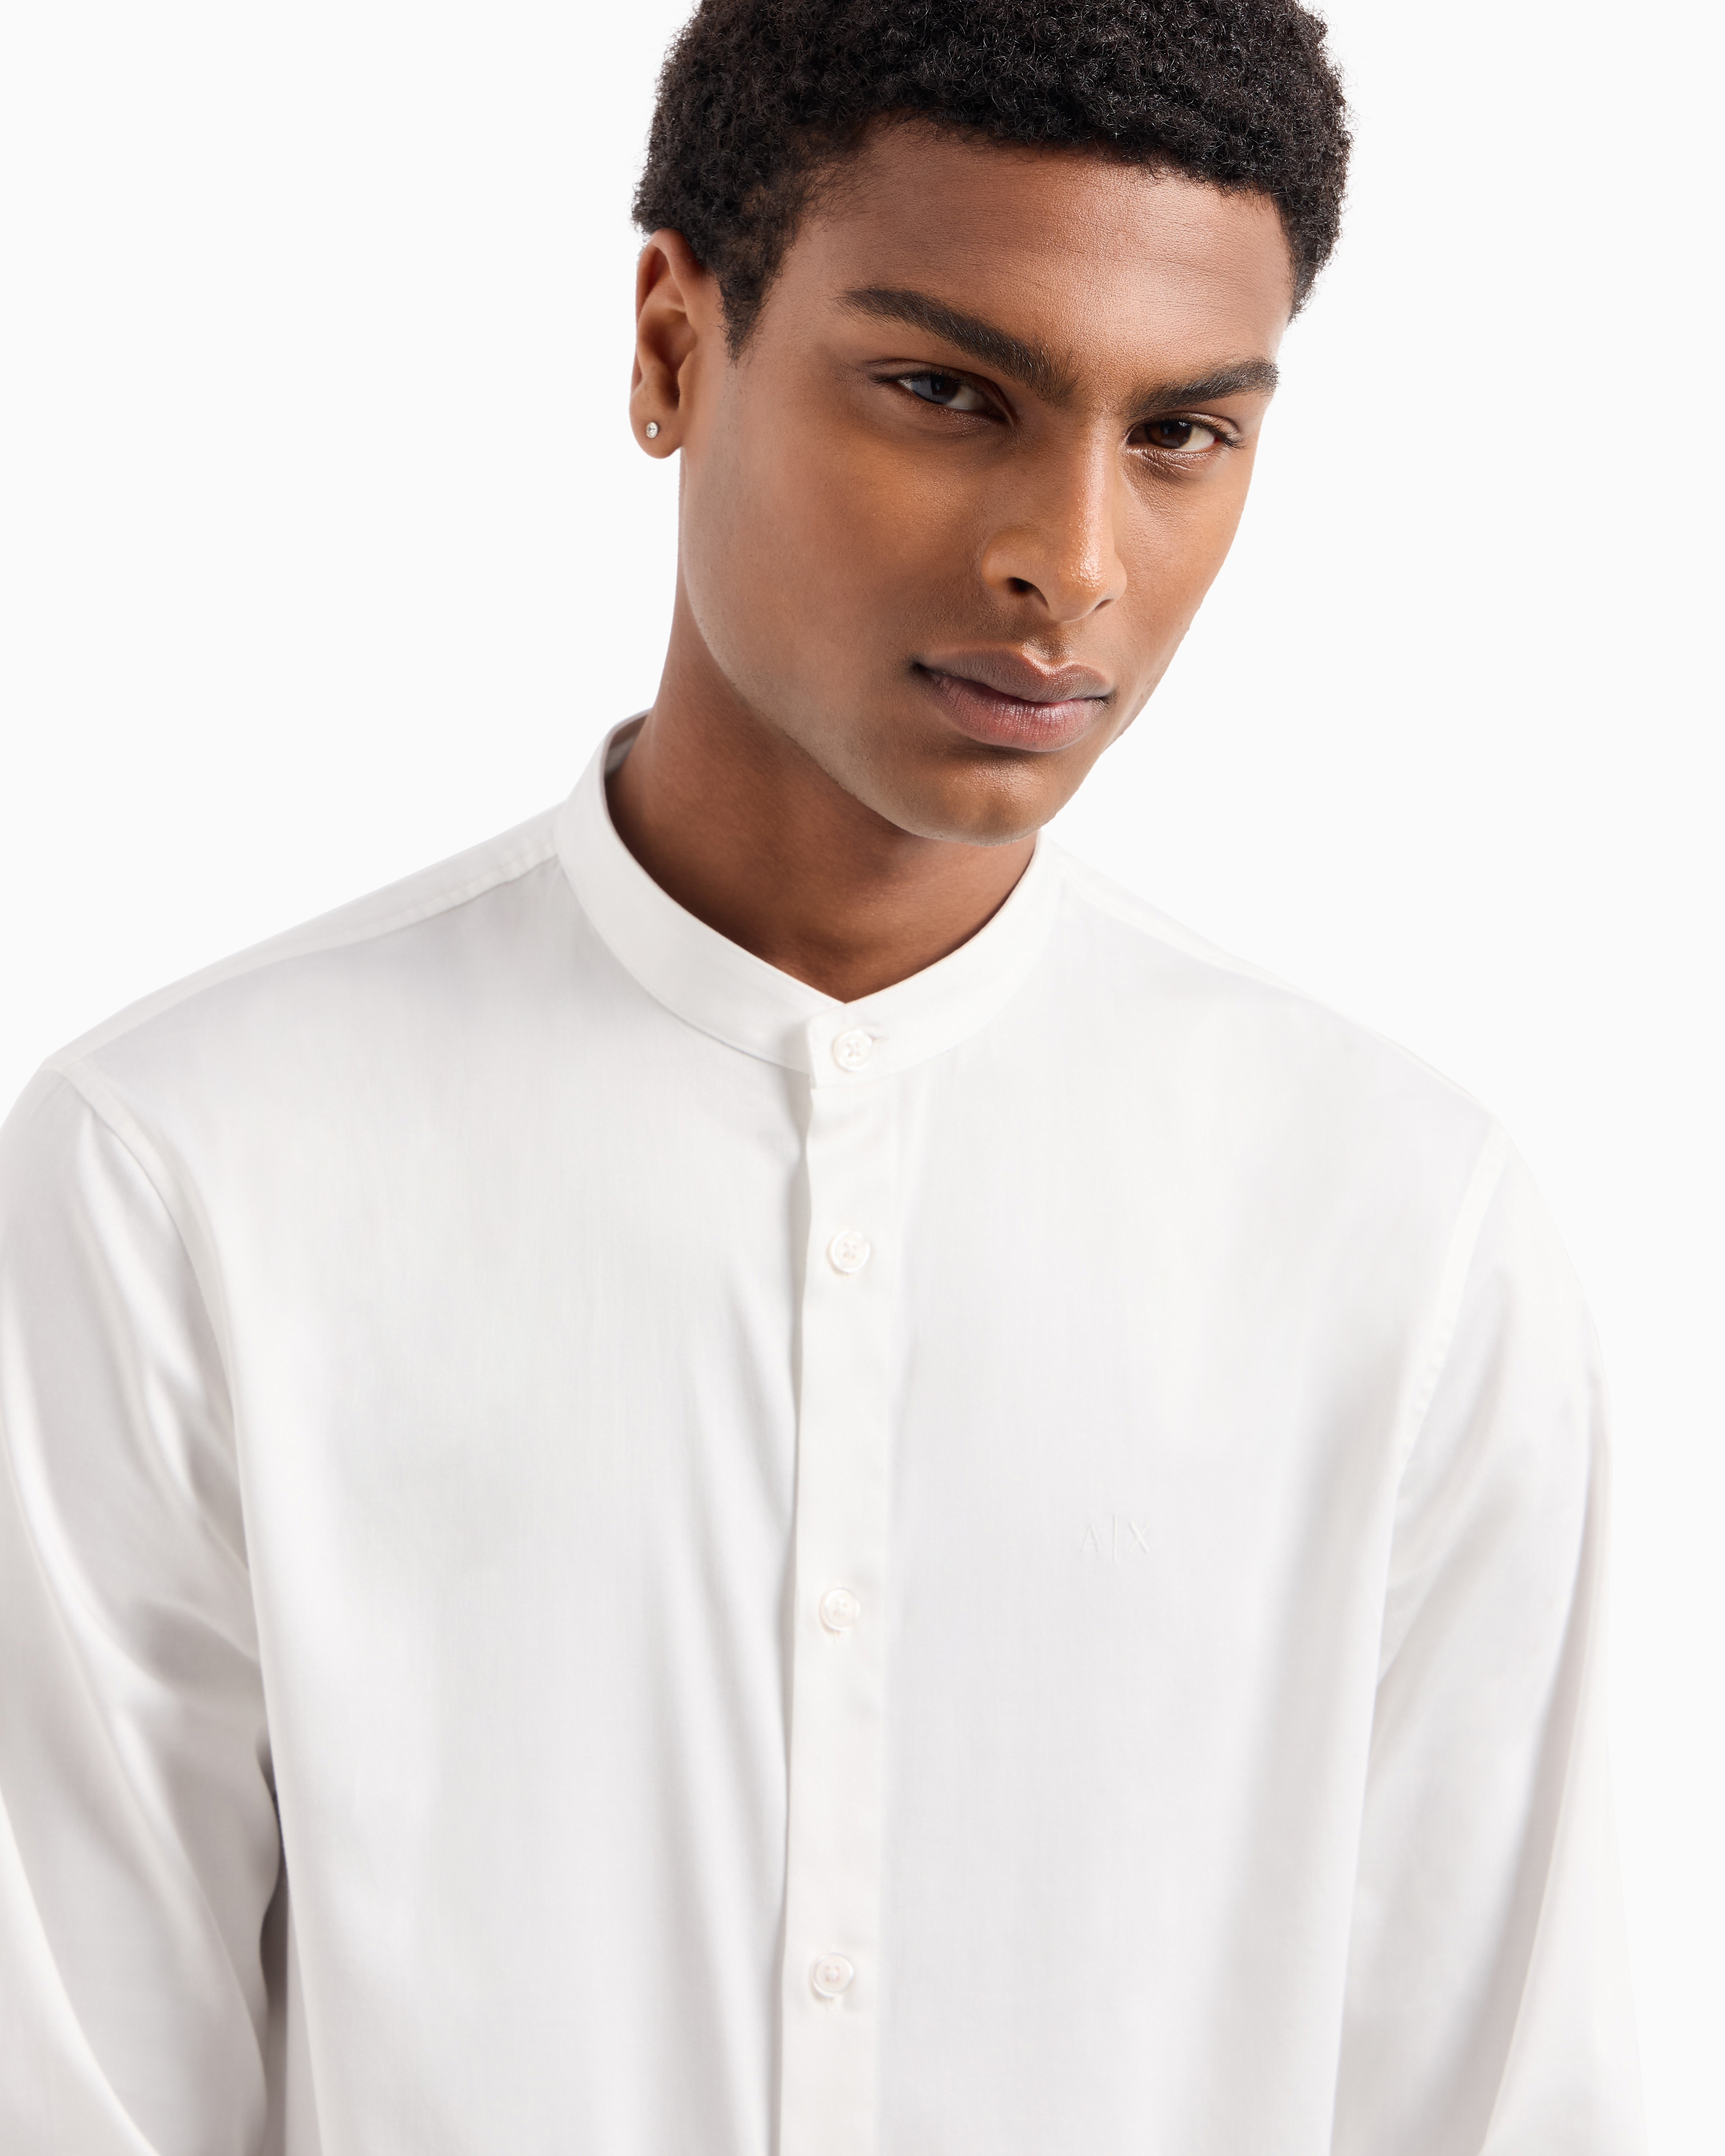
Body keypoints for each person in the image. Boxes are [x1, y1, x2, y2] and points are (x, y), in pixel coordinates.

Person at [0, 0, 1645, 2150]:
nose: (1072, 560)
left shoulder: (1403, 1236)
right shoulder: (188, 1178)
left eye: (1181, 433)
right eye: (949, 393)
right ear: (674, 346)